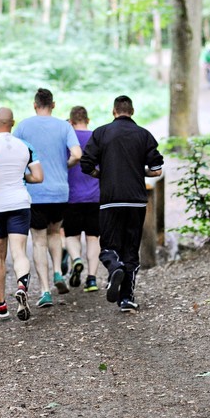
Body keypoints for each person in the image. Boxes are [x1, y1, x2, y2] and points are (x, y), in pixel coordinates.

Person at [80, 95, 164, 312]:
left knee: (108, 246)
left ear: (113, 111)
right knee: (130, 248)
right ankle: (126, 298)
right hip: (136, 201)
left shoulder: (101, 133)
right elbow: (157, 169)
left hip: (110, 200)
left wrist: (102, 174)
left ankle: (114, 266)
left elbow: (86, 164)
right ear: (132, 111)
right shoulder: (144, 135)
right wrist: (140, 171)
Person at [13, 88, 82, 308]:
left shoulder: (23, 126)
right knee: (55, 233)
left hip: (35, 193)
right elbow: (78, 154)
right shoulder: (64, 126)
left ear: (35, 105)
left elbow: (13, 153)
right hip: (60, 191)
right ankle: (58, 272)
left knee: (39, 240)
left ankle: (44, 290)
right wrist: (65, 165)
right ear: (53, 105)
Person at [0, 107, 43, 321]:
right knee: (19, 252)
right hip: (19, 202)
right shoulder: (26, 145)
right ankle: (22, 285)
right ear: (12, 123)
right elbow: (38, 176)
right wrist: (21, 177)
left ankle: (2, 304)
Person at [63, 106, 101, 293]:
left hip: (72, 197)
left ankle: (76, 259)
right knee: (93, 238)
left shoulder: (67, 139)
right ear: (88, 119)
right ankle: (92, 279)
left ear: (70, 121)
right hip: (95, 196)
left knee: (72, 235)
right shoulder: (97, 137)